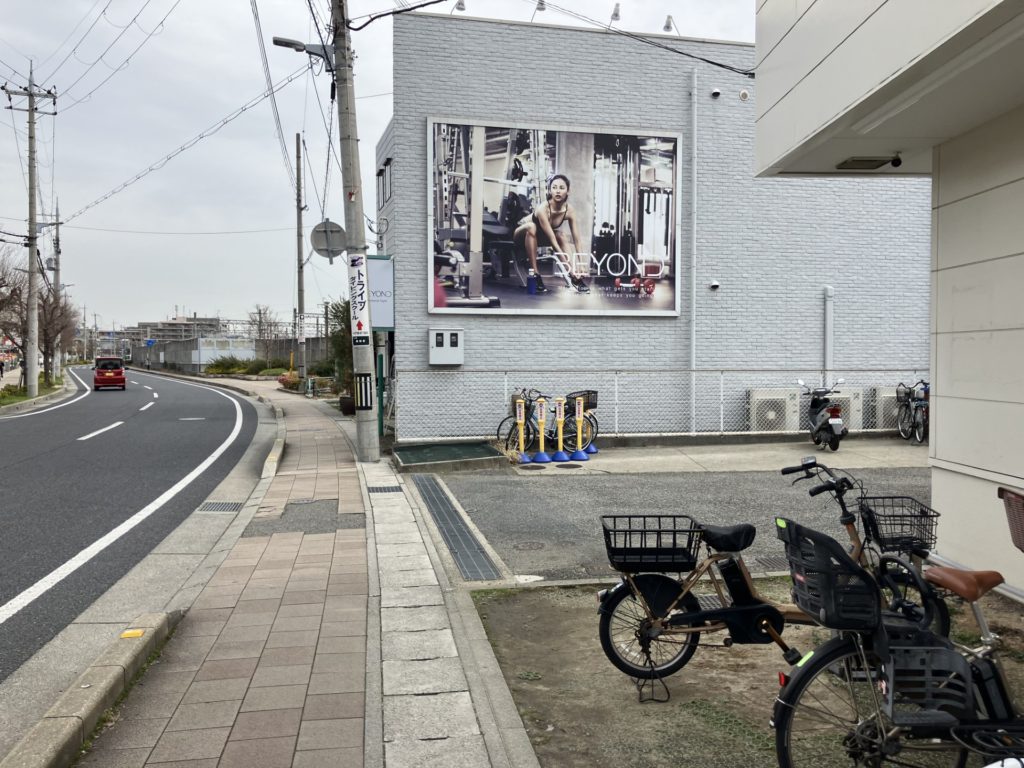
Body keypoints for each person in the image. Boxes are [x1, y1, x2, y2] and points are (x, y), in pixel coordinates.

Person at [514, 173, 588, 292]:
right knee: (532, 227)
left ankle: (575, 278)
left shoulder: (569, 210)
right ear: (550, 190)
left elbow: (577, 240)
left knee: (561, 235)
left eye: (561, 188)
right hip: (520, 233)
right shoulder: (543, 208)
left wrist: (582, 265)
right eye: (554, 187)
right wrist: (570, 267)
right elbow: (553, 242)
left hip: (538, 236)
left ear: (568, 191)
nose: (557, 191)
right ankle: (536, 275)